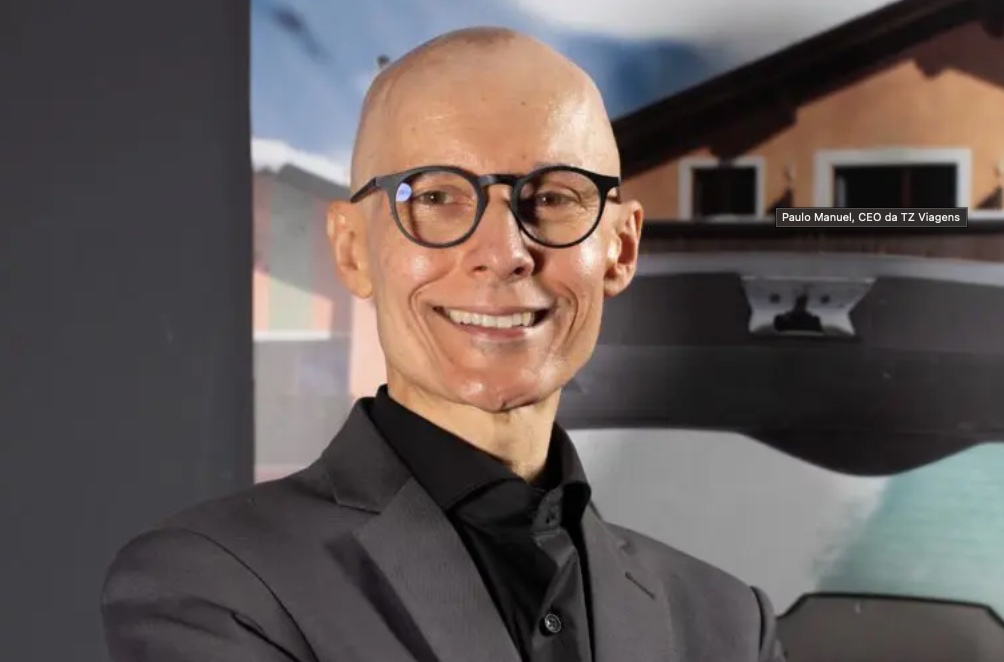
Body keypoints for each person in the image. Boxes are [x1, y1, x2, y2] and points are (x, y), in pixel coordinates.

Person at [101, 26, 786, 662]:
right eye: (434, 197)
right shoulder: (217, 588)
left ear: (621, 249)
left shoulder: (729, 625)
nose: (505, 253)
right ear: (352, 250)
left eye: (553, 198)